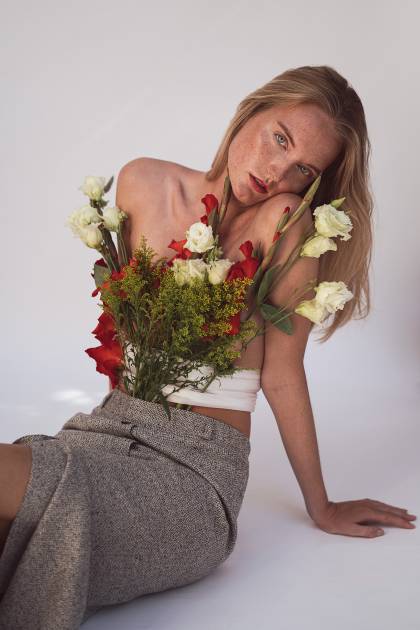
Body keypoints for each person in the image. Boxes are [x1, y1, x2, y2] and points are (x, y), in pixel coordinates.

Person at [0, 64, 416, 628]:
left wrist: (321, 505)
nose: (277, 172)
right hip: (104, 435)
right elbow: (125, 338)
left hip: (190, 478)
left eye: (302, 169)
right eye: (279, 139)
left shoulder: (283, 222)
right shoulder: (143, 182)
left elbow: (282, 373)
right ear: (251, 111)